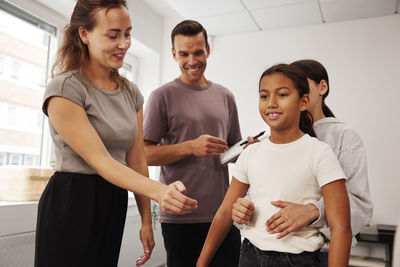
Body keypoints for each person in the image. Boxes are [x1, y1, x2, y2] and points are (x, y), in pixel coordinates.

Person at [34, 1, 197, 267]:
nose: (124, 43)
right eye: (113, 35)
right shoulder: (65, 89)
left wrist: (147, 219)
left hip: (113, 198)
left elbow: (136, 161)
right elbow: (102, 161)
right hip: (72, 200)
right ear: (84, 35)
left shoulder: (130, 93)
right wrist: (159, 191)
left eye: (127, 34)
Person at [197, 63, 352, 267]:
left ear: (303, 101)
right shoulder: (251, 153)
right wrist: (201, 263)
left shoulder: (320, 153)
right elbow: (225, 212)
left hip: (297, 260)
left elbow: (341, 227)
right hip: (249, 255)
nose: (271, 103)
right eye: (264, 96)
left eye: (282, 95)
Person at [232, 59, 373, 266]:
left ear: (320, 88)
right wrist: (241, 209)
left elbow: (361, 207)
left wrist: (314, 210)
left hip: (322, 252)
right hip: (262, 251)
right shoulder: (264, 144)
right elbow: (252, 204)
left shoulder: (343, 137)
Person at [143, 20, 242, 267]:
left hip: (222, 213)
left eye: (198, 52)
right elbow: (144, 154)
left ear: (208, 49)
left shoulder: (225, 96)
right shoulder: (161, 96)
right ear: (174, 54)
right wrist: (190, 147)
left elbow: (233, 150)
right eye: (184, 54)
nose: (192, 60)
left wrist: (246, 148)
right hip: (180, 215)